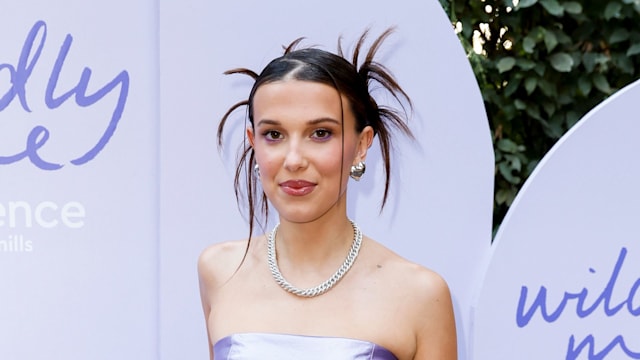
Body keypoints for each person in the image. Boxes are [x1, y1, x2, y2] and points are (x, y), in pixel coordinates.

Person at [198, 28, 457, 360]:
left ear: (362, 145)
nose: (293, 160)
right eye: (274, 134)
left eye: (320, 133)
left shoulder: (421, 295)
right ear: (252, 140)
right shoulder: (218, 270)